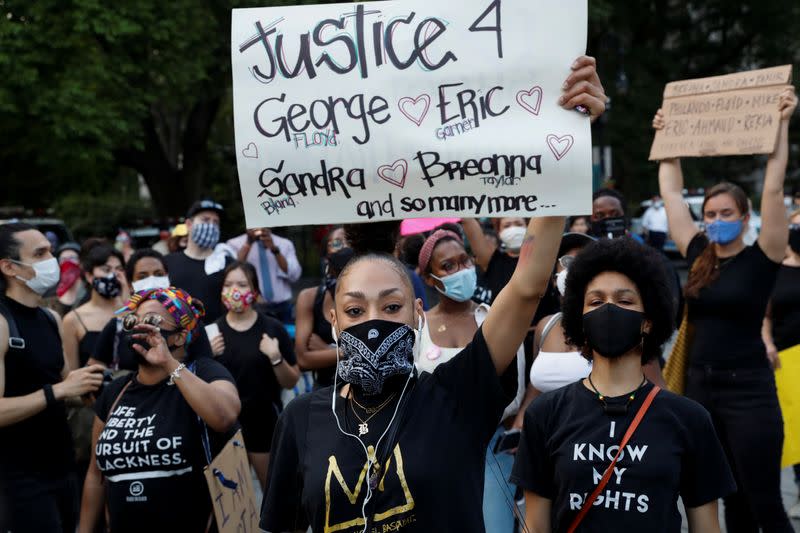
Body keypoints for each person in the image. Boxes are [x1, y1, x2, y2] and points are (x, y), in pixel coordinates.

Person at [260, 54, 605, 533]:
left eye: (392, 306)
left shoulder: (455, 394)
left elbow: (527, 286)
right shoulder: (301, 418)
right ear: (333, 320)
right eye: (355, 309)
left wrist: (570, 132)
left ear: (418, 313)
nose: (373, 321)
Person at [511, 237, 736, 532]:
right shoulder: (545, 414)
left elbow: (707, 527)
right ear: (580, 318)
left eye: (625, 300)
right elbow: (536, 527)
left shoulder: (689, 419)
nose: (608, 309)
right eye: (595, 301)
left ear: (648, 321)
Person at [652, 86, 797, 532]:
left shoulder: (764, 255)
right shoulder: (698, 254)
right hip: (701, 391)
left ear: (746, 215)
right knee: (726, 499)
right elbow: (674, 198)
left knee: (764, 502)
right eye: (710, 213)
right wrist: (668, 147)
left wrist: (783, 123)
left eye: (725, 212)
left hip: (749, 391)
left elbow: (774, 186)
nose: (715, 220)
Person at [79, 287, 241, 533]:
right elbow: (95, 475)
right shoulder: (116, 392)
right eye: (134, 320)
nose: (140, 328)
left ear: (178, 336)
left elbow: (225, 417)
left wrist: (169, 363)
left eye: (152, 321)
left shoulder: (205, 373)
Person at [415, 228, 526, 532]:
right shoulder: (417, 328)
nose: (461, 271)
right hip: (431, 453)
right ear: (428, 278)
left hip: (491, 450)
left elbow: (514, 393)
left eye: (465, 261)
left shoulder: (492, 320)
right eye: (448, 266)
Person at [0, 223, 105, 533]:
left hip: (62, 466)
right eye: (40, 253)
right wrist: (59, 390)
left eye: (51, 250)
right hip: (18, 477)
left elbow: (64, 387)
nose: (52, 259)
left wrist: (89, 385)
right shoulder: (2, 323)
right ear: (8, 267)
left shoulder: (50, 317)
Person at [210, 261, 300, 488]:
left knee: (273, 494)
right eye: (228, 285)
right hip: (225, 425)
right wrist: (208, 355)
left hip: (264, 422)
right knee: (234, 503)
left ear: (255, 292)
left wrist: (275, 357)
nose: (234, 291)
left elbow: (292, 381)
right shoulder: (211, 333)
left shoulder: (272, 328)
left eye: (242, 284)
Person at [591, 187, 682, 327]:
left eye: (614, 214)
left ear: (624, 216)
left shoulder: (652, 258)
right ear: (590, 219)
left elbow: (669, 308)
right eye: (599, 216)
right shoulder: (581, 258)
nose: (608, 220)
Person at [762, 209, 800, 518]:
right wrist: (769, 343)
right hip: (786, 359)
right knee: (795, 429)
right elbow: (765, 314)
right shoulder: (774, 270)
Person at [295, 229, 355, 388]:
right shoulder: (309, 298)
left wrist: (325, 349)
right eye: (336, 243)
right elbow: (302, 359)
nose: (344, 247)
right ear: (325, 254)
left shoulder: (372, 294)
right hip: (325, 391)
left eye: (349, 242)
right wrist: (345, 353)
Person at [164, 199, 232, 323]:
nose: (211, 225)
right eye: (205, 220)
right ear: (189, 224)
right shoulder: (167, 262)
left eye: (216, 222)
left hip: (217, 337)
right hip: (179, 336)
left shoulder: (227, 263)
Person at [62, 244, 126, 371]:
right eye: (106, 270)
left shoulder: (133, 310)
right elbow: (71, 374)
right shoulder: (73, 319)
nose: (114, 275)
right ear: (89, 276)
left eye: (119, 269)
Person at [227, 227, 302, 323]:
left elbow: (294, 275)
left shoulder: (285, 244)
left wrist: (275, 250)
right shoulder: (234, 244)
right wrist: (248, 244)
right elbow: (231, 273)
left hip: (282, 307)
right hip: (252, 307)